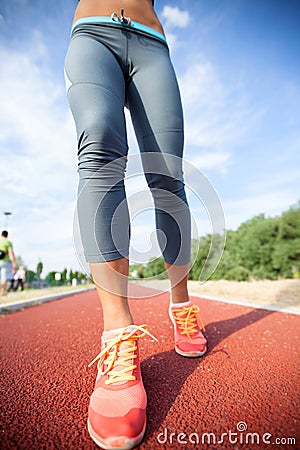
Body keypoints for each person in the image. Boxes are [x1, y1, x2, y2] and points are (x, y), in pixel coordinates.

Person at [65, 1, 207, 448]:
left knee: (167, 176)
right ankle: (118, 334)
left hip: (151, 44)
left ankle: (181, 307)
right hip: (91, 35)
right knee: (100, 147)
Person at [0, 230, 16, 296]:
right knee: (4, 277)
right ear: (7, 235)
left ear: (1, 235)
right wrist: (14, 262)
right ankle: (1, 293)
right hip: (5, 262)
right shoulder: (8, 242)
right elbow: (10, 253)